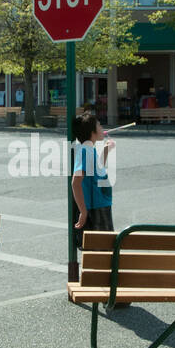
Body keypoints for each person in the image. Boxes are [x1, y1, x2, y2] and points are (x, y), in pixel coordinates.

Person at [70, 109, 115, 283]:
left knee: (102, 249)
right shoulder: (84, 151)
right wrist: (83, 211)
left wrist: (105, 152)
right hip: (96, 208)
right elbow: (76, 181)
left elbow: (95, 171)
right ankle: (102, 287)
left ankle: (100, 285)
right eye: (99, 125)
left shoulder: (89, 150)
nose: (102, 128)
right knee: (103, 249)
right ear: (92, 131)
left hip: (101, 205)